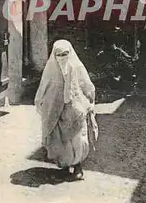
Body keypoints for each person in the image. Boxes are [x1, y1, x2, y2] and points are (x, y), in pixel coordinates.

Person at [35, 40, 98, 181]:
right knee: (60, 140)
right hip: (56, 111)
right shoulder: (51, 70)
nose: (62, 57)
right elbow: (44, 86)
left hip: (74, 110)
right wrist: (42, 102)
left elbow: (86, 84)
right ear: (54, 55)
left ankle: (77, 167)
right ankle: (64, 166)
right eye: (59, 54)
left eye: (65, 54)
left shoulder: (76, 67)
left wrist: (89, 99)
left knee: (76, 138)